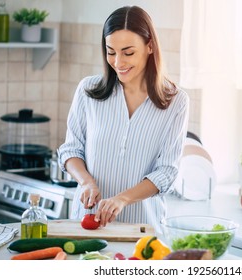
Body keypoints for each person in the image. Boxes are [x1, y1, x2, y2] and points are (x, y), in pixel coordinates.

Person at [57, 6, 189, 232]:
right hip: (89, 226)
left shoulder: (176, 101)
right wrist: (86, 182)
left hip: (142, 231)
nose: (118, 62)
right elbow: (71, 150)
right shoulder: (88, 90)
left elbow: (167, 171)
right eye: (111, 52)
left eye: (128, 53)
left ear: (150, 46)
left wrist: (122, 199)